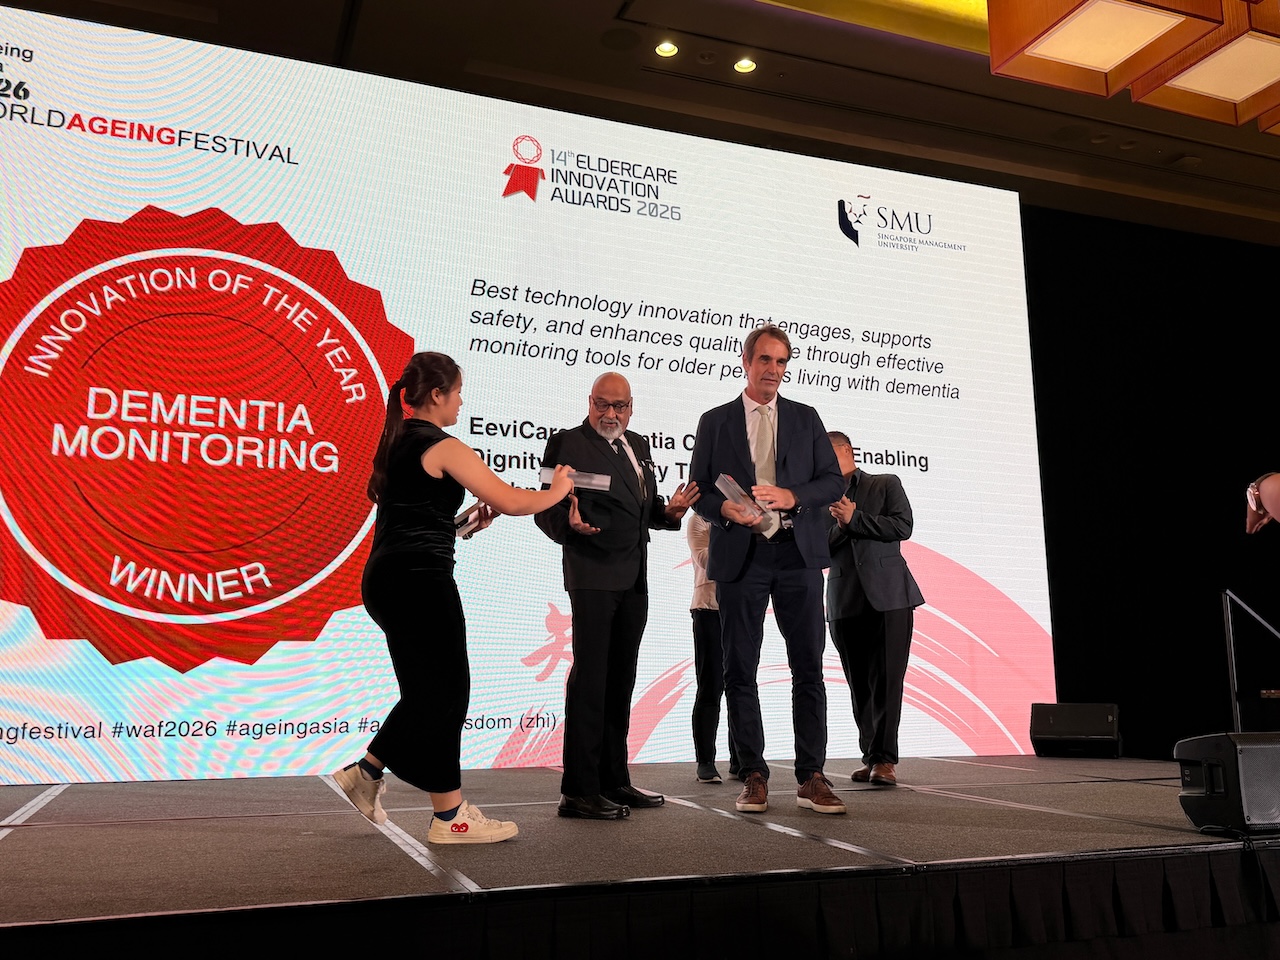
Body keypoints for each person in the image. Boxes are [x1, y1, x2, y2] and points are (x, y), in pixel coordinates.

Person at [334, 351, 574, 843]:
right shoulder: (441, 444)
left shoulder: (399, 440)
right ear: (438, 395)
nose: (462, 401)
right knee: (446, 694)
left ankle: (368, 773)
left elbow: (417, 517)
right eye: (458, 392)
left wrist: (463, 523)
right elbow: (513, 500)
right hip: (419, 581)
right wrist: (558, 489)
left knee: (428, 692)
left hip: (389, 579)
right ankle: (449, 818)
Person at [688, 324, 847, 815]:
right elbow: (700, 489)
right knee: (739, 669)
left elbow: (832, 482)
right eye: (765, 360)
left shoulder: (805, 418)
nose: (773, 370)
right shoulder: (715, 421)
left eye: (781, 362)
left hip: (797, 555)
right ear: (746, 361)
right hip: (743, 557)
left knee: (808, 668)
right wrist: (723, 509)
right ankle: (753, 774)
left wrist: (792, 495)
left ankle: (811, 775)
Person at [535, 372, 699, 820]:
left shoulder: (638, 445)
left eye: (619, 406)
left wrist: (668, 513)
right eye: (602, 405)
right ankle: (578, 789)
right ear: (589, 402)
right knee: (590, 680)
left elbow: (640, 508)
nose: (611, 414)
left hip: (633, 577)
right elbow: (545, 506)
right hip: (592, 574)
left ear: (631, 407)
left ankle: (613, 779)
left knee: (620, 679)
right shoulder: (567, 443)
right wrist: (568, 526)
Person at [826, 431, 925, 787]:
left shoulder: (885, 483)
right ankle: (870, 756)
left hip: (890, 597)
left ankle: (884, 760)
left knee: (886, 681)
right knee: (859, 686)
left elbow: (902, 526)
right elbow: (818, 546)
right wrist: (844, 525)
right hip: (844, 597)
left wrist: (856, 519)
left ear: (846, 450)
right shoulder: (818, 495)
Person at [687, 512, 739, 783]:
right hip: (709, 607)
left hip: (740, 607)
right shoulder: (700, 519)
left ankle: (740, 758)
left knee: (741, 685)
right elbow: (706, 559)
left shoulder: (746, 515)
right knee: (710, 686)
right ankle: (705, 761)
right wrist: (739, 540)